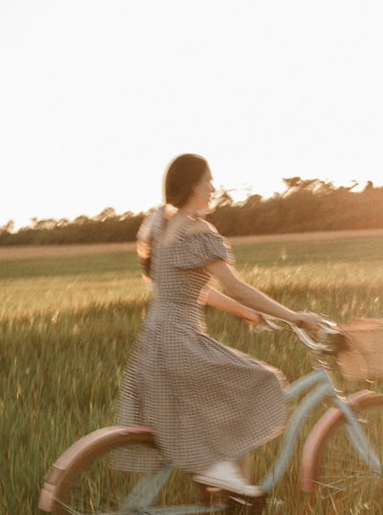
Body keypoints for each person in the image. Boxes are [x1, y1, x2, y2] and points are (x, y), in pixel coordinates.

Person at [117, 153, 325, 497]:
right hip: (182, 342)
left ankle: (227, 488)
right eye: (208, 180)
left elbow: (192, 289)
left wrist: (244, 311)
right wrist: (295, 316)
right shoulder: (199, 230)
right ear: (191, 185)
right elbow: (235, 286)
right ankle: (226, 481)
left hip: (156, 339)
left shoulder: (160, 223)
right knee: (263, 381)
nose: (213, 187)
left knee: (217, 409)